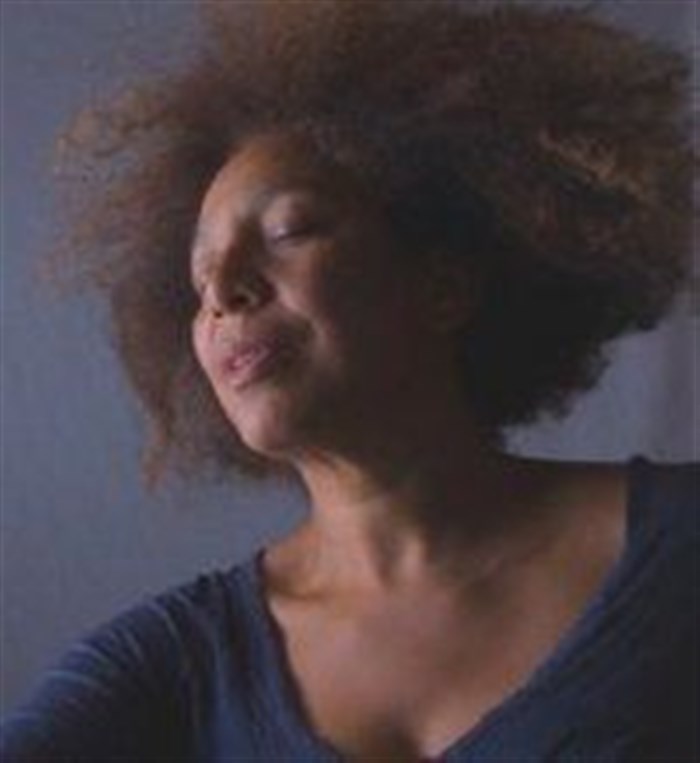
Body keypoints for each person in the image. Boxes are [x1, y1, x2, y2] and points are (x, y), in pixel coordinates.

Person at [2, 2, 697, 761]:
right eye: (199, 279)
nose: (224, 291)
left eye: (288, 230)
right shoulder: (181, 661)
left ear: (443, 283)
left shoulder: (679, 543)